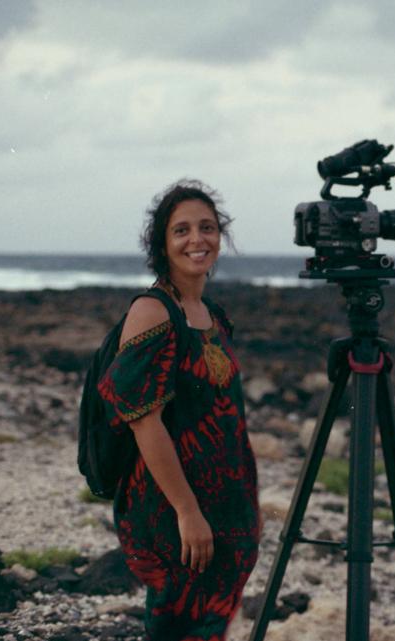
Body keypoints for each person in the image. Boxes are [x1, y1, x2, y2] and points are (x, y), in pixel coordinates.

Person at [98, 179, 260, 640]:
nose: (197, 240)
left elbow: (229, 416)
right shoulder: (153, 312)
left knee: (209, 627)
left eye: (207, 228)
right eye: (182, 230)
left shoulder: (213, 313)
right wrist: (187, 511)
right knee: (174, 625)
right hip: (173, 506)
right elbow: (143, 421)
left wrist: (247, 501)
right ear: (162, 244)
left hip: (226, 505)